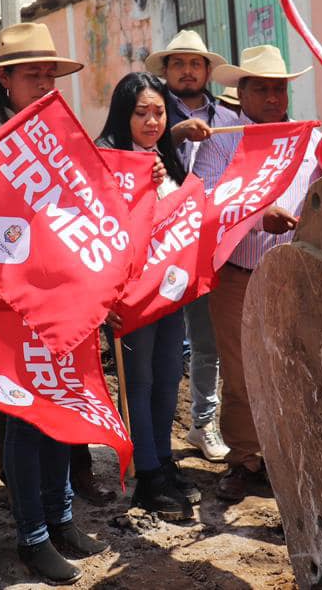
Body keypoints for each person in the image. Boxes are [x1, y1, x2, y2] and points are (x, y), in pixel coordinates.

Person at [0, 21, 106, 585]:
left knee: (59, 407)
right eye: (31, 74)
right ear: (5, 80)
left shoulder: (62, 132)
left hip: (59, 293)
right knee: (22, 414)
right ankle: (32, 535)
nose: (43, 82)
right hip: (3, 298)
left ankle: (61, 516)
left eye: (50, 73)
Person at [191, 45, 322, 502]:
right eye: (262, 88)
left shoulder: (308, 139)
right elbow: (205, 202)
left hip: (292, 275)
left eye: (278, 89)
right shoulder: (222, 140)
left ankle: (287, 458)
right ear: (240, 92)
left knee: (292, 365)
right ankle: (245, 458)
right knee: (242, 369)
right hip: (236, 273)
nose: (272, 97)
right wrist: (255, 217)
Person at [97, 72, 201, 520]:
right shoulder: (105, 158)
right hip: (131, 298)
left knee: (166, 378)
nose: (152, 120)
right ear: (124, 114)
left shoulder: (167, 156)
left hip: (170, 292)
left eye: (159, 112)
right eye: (142, 112)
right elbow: (100, 229)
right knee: (137, 383)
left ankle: (163, 459)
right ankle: (147, 475)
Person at [146, 29, 234, 463]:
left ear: (207, 71)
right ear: (166, 70)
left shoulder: (229, 116)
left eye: (195, 64)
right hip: (159, 246)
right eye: (178, 63)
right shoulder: (149, 111)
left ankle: (204, 423)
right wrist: (174, 133)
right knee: (155, 343)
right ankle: (148, 437)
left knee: (208, 341)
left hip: (211, 246)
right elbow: (128, 154)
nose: (187, 70)